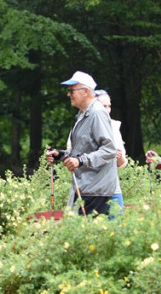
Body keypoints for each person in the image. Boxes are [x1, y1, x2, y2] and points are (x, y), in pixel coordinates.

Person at [44, 71, 120, 216]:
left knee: (90, 236)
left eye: (72, 90)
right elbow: (84, 150)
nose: (68, 94)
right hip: (85, 188)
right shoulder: (82, 115)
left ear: (85, 91)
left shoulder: (97, 113)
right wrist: (60, 155)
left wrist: (80, 161)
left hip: (96, 190)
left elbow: (109, 150)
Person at [94, 89, 127, 215]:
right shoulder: (81, 127)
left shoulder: (114, 127)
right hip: (92, 191)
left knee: (117, 230)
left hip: (113, 189)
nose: (108, 110)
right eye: (104, 106)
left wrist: (120, 160)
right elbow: (75, 158)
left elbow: (123, 163)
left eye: (109, 106)